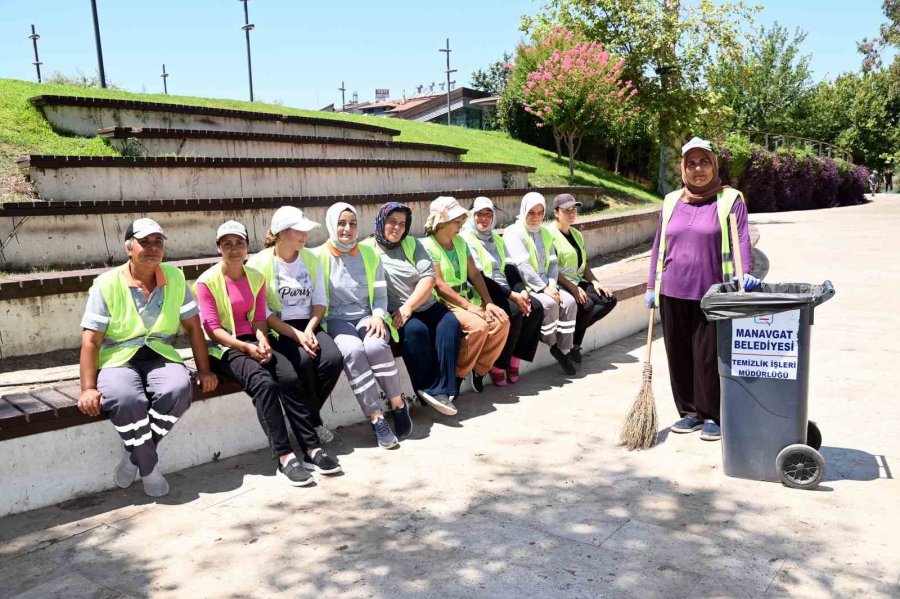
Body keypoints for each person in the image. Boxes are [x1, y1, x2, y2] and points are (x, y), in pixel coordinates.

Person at [78, 218, 218, 497]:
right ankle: (149, 466)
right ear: (129, 248)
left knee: (178, 389)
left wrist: (203, 370)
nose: (153, 248)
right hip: (118, 356)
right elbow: (91, 340)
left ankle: (134, 455)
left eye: (158, 242)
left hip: (159, 353)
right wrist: (88, 389)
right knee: (125, 398)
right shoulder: (106, 284)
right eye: (145, 242)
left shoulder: (175, 277)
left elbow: (193, 327)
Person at [197, 221, 341, 487]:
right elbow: (213, 329)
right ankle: (285, 456)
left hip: (254, 339)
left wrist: (262, 340)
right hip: (226, 348)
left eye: (239, 243)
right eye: (227, 244)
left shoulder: (255, 277)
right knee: (264, 383)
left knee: (288, 377)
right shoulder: (207, 281)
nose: (234, 249)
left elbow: (259, 318)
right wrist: (246, 347)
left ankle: (310, 448)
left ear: (246, 246)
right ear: (219, 248)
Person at [645, 137, 760, 442]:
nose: (698, 169)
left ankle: (713, 414)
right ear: (683, 168)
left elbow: (742, 242)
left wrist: (744, 273)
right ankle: (689, 412)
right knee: (678, 353)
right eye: (691, 163)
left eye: (704, 162)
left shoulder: (729, 199)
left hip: (712, 292)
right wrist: (649, 286)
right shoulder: (670, 201)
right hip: (672, 289)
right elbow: (659, 245)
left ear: (714, 165)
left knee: (708, 357)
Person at [315, 202, 412, 448]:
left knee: (376, 346)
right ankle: (376, 417)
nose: (347, 229)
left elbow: (380, 296)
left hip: (368, 315)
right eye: (341, 223)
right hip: (336, 320)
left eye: (353, 223)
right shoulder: (318, 257)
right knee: (353, 351)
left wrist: (379, 316)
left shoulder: (369, 254)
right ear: (331, 225)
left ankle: (398, 404)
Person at [246, 206, 345, 447]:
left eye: (305, 231)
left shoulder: (311, 258)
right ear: (280, 233)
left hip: (309, 323)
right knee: (302, 360)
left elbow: (320, 301)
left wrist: (310, 329)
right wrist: (296, 335)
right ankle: (313, 422)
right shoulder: (259, 262)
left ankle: (305, 416)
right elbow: (262, 311)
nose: (305, 235)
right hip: (277, 326)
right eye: (298, 230)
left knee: (332, 358)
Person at [362, 202, 462, 416]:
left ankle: (444, 389)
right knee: (416, 331)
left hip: (422, 304)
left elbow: (429, 277)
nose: (397, 228)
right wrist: (401, 309)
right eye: (392, 222)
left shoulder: (412, 244)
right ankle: (427, 388)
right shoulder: (367, 250)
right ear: (381, 222)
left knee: (450, 323)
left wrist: (410, 305)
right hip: (395, 311)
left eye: (402, 223)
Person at [420, 196, 511, 396]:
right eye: (456, 221)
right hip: (445, 303)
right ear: (440, 223)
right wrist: (470, 307)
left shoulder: (460, 242)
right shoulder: (427, 246)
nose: (461, 224)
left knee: (502, 321)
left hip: (467, 299)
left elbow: (475, 274)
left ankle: (479, 369)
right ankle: (459, 375)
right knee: (478, 326)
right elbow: (440, 285)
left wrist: (488, 303)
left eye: (461, 220)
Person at [461, 196, 544, 387]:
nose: (483, 219)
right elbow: (478, 277)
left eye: (488, 214)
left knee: (535, 307)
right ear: (471, 216)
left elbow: (510, 268)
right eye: (479, 214)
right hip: (483, 292)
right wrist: (511, 295)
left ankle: (515, 357)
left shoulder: (496, 238)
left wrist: (521, 291)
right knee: (514, 313)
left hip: (504, 289)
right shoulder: (467, 239)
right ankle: (498, 364)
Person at [504, 192, 579, 375]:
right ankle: (551, 342)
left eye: (540, 213)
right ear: (524, 211)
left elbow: (553, 263)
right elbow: (523, 267)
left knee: (569, 302)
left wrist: (552, 285)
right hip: (527, 285)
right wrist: (544, 288)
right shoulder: (514, 232)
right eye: (532, 212)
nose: (536, 217)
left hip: (547, 284)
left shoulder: (544, 232)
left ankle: (564, 349)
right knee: (550, 303)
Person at [549, 193, 618, 364]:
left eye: (574, 210)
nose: (571, 213)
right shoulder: (549, 235)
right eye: (566, 210)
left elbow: (584, 263)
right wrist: (573, 288)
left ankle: (571, 335)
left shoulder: (576, 234)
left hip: (577, 280)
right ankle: (574, 345)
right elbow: (551, 268)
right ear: (556, 212)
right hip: (559, 283)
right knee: (587, 305)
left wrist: (595, 282)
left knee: (609, 300)